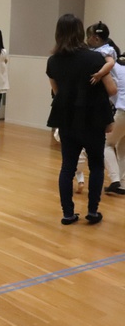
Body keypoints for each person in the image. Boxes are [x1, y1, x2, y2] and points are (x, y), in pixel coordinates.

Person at [46, 14, 117, 225]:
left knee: (67, 167)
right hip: (93, 119)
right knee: (96, 166)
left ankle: (68, 213)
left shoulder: (53, 61)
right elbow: (111, 89)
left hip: (67, 119)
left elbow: (57, 92)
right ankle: (92, 211)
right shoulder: (95, 59)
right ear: (80, 33)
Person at [103, 55, 125, 195]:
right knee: (123, 147)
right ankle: (123, 184)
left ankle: (115, 179)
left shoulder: (115, 67)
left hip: (123, 112)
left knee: (106, 144)